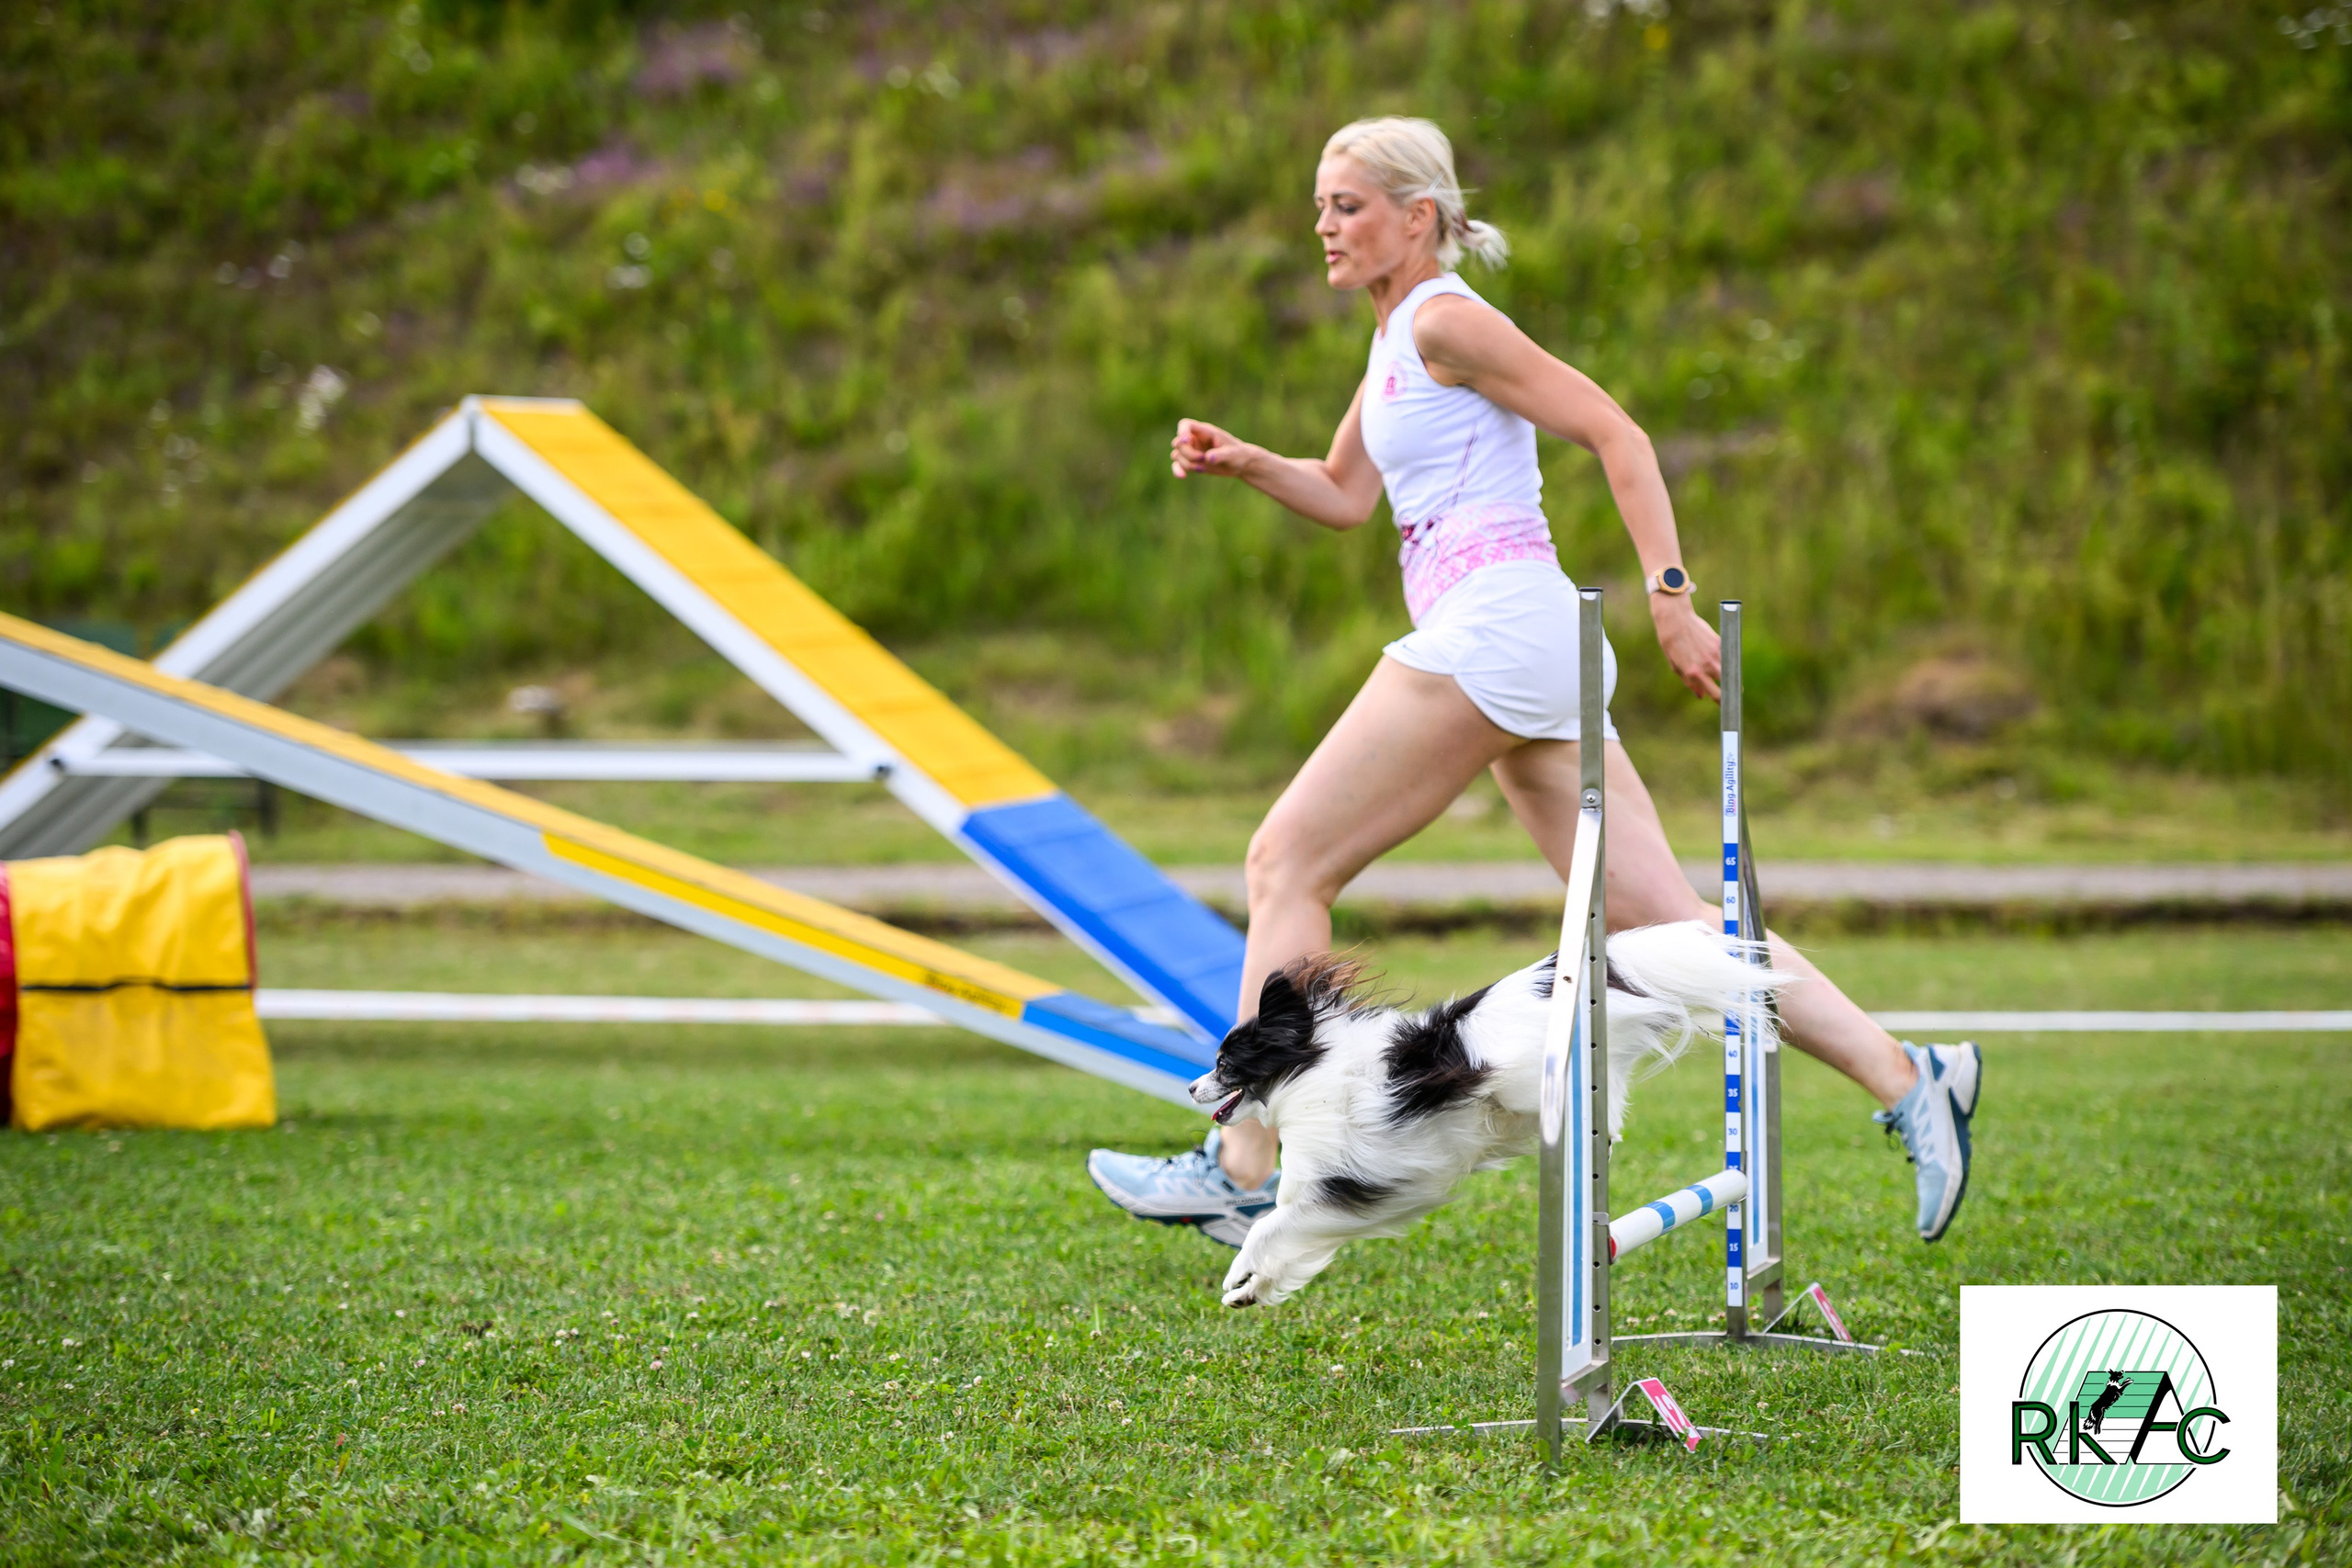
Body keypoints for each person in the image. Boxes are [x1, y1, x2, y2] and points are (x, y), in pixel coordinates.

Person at [1087, 117, 1978, 1254]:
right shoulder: (1393, 338)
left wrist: (1668, 594)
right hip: (1527, 644)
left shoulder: (1447, 319)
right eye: (1318, 206)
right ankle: (1908, 1075)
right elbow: (1346, 494)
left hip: (1499, 630)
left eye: (1346, 205)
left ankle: (1245, 1165)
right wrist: (1248, 462)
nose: (1322, 226)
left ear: (1418, 217)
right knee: (1669, 924)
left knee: (1285, 862)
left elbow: (1617, 432)